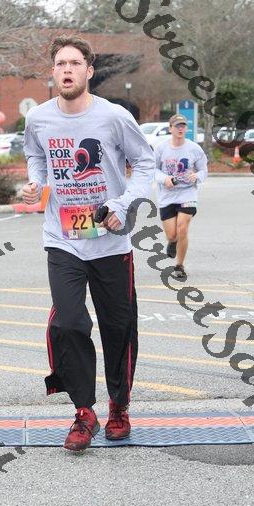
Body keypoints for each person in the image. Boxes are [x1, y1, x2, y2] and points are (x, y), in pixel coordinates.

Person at [23, 35, 154, 452]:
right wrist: (36, 182)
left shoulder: (113, 117)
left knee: (118, 328)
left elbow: (146, 163)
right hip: (62, 238)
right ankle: (84, 411)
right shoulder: (39, 118)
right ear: (53, 72)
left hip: (110, 241)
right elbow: (36, 156)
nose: (67, 69)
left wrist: (123, 203)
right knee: (67, 323)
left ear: (89, 71)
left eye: (75, 63)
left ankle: (119, 406)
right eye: (61, 63)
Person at [153, 114, 208, 280]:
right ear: (170, 128)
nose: (180, 128)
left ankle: (179, 265)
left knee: (182, 228)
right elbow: (153, 169)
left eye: (183, 125)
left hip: (187, 193)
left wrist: (197, 176)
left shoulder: (194, 148)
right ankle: (172, 242)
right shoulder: (161, 148)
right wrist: (165, 179)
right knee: (172, 235)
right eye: (177, 126)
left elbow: (204, 170)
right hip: (167, 195)